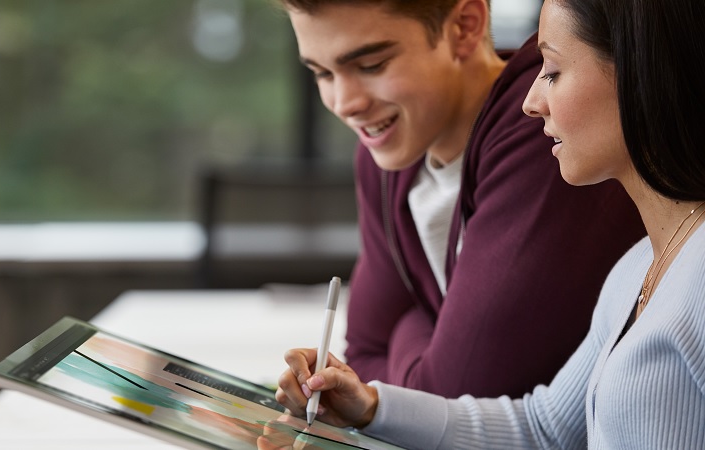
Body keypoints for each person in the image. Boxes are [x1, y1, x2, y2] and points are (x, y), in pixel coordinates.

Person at [272, 0, 705, 447]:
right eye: (321, 74)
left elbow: (459, 383)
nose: (531, 103)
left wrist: (408, 328)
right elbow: (545, 427)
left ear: (640, 75)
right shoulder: (638, 268)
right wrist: (372, 407)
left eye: (552, 71)